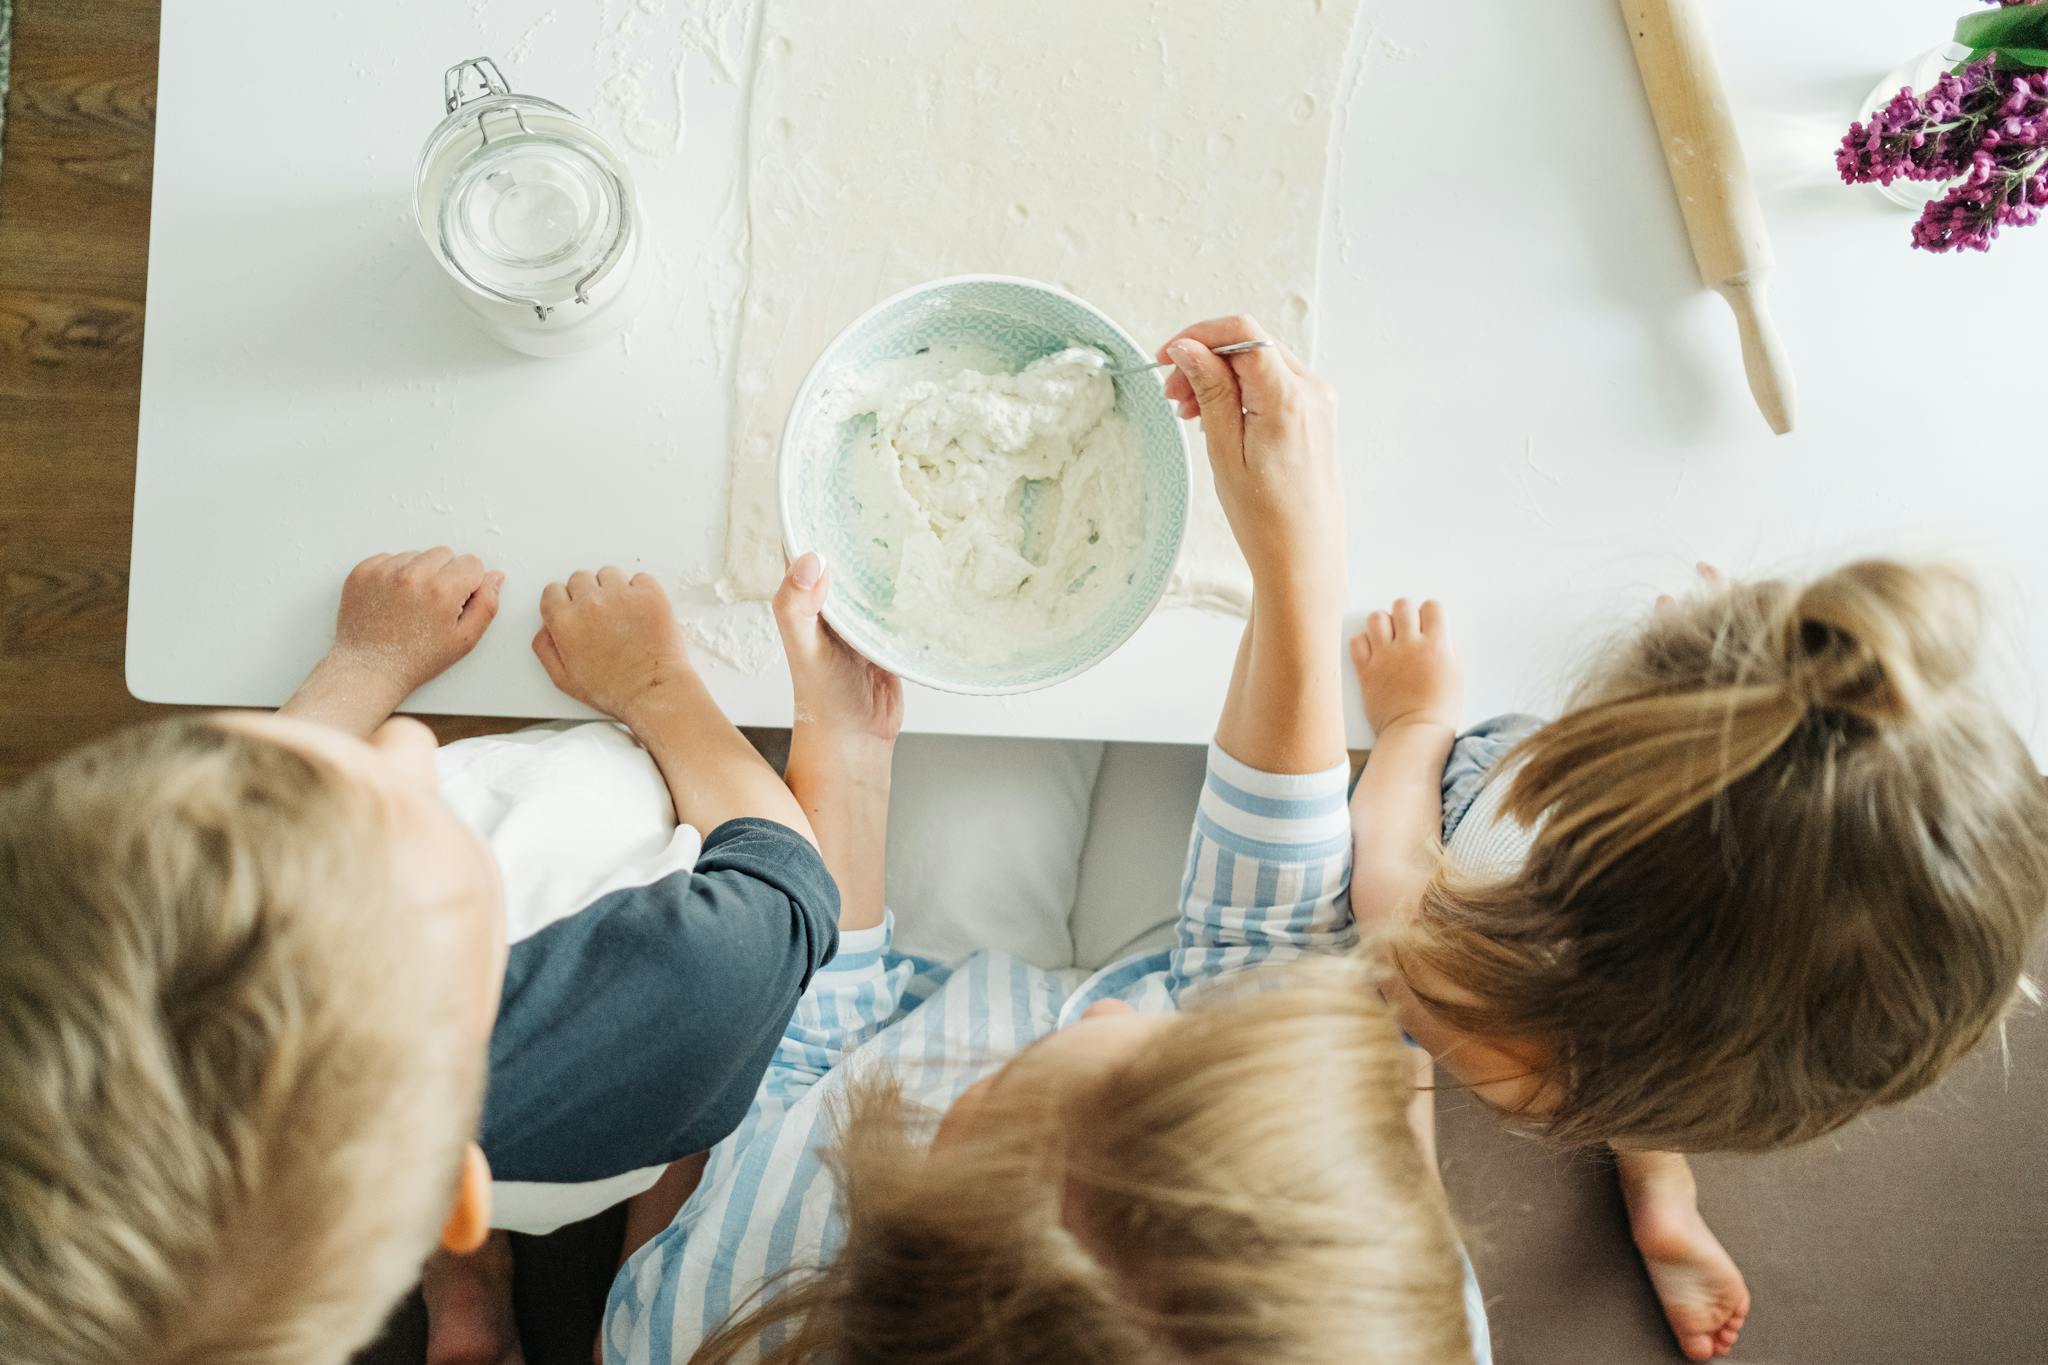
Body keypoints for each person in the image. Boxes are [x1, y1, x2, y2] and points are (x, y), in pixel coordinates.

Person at [602, 317, 1491, 1365]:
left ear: (910, 1218)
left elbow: (781, 1044)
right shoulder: (1378, 1319)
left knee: (992, 774)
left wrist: (845, 744)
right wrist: (1296, 567)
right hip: (1206, 971)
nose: (1121, 1011)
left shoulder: (710, 1309)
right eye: (1163, 1047)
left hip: (895, 1017)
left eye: (1027, 1083)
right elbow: (1265, 960)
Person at [0, 550, 841, 1365]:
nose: (407, 745)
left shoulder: (189, 945)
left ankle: (466, 1279)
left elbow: (234, 834)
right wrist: (654, 685)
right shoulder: (690, 985)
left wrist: (366, 664)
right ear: (451, 1209)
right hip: (602, 1090)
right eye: (408, 812)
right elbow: (785, 868)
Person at [1345, 560, 2048, 1361]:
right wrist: (1722, 679)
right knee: (1663, 1051)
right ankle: (1662, 1186)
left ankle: (1645, 1162)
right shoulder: (1764, 1048)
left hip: (1473, 866)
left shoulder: (1509, 1031)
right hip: (1674, 1038)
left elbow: (1388, 883)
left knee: (1366, 974)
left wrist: (1414, 722)